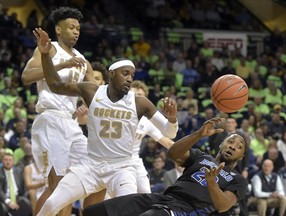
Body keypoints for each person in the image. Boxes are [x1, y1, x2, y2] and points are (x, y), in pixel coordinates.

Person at [33, 27, 178, 215]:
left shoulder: (139, 102)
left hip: (122, 168)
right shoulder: (91, 91)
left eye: (132, 75)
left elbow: (169, 133)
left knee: (127, 210)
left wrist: (172, 118)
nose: (129, 79)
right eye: (125, 73)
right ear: (111, 73)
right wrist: (45, 55)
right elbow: (55, 85)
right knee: (52, 204)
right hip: (91, 164)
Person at [83, 118, 248, 216]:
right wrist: (198, 134)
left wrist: (212, 183)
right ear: (221, 144)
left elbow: (223, 205)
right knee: (95, 212)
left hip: (187, 210)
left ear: (241, 156)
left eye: (239, 146)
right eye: (231, 141)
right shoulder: (201, 156)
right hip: (164, 199)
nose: (233, 146)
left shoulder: (238, 179)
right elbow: (173, 154)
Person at [21, 7, 97, 216]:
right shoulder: (50, 49)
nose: (76, 31)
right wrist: (63, 64)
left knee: (94, 172)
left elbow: (98, 93)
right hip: (50, 118)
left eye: (78, 28)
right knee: (56, 184)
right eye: (71, 27)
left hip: (71, 123)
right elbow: (26, 77)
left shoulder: (83, 60)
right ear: (59, 29)